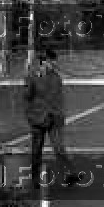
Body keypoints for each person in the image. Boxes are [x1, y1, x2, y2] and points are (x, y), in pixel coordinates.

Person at [24, 48, 78, 189]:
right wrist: (29, 78)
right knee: (36, 150)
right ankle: (34, 179)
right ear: (44, 61)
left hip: (54, 118)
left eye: (54, 61)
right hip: (37, 118)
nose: (54, 63)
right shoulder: (32, 75)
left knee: (59, 148)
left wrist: (60, 117)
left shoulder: (56, 77)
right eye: (51, 61)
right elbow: (27, 96)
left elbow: (58, 99)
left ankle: (72, 173)